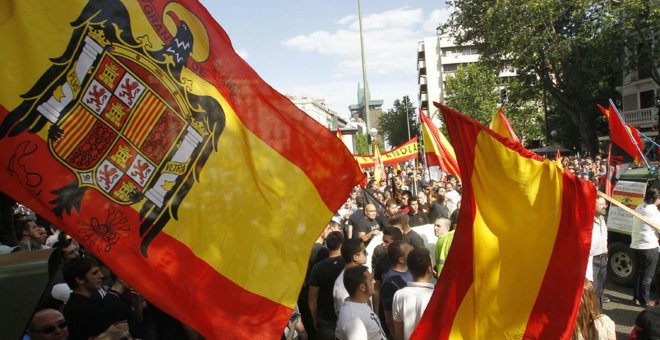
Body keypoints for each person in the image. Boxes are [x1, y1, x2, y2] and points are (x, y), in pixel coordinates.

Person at [63, 257, 121, 340]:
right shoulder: (86, 308)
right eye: (95, 273)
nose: (101, 275)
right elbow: (117, 336)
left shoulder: (74, 303)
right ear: (80, 280)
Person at [308, 231, 345, 340]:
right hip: (346, 316)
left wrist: (314, 319)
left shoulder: (318, 268)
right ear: (342, 245)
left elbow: (312, 298)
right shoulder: (349, 265)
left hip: (325, 317)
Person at [392, 247, 435, 340]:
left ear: (410, 269)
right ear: (429, 269)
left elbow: (398, 333)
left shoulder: (399, 295)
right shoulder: (437, 296)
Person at [335, 266, 387, 340]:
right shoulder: (353, 320)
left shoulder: (358, 303)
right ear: (362, 287)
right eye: (371, 280)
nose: (374, 282)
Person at [632, 188, 660, 307]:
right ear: (656, 199)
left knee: (639, 273)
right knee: (647, 276)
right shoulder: (654, 211)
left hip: (637, 244)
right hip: (649, 246)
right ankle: (645, 300)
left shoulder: (640, 207)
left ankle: (636, 297)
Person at [380, 241, 413, 335]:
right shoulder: (390, 283)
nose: (413, 255)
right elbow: (390, 318)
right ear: (401, 259)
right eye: (410, 254)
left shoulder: (411, 270)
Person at [333, 239, 368, 317]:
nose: (367, 254)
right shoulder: (342, 285)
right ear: (355, 257)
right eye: (364, 252)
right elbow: (346, 316)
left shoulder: (364, 272)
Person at [590, 197, 609, 308]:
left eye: (605, 204)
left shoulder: (602, 219)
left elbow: (604, 236)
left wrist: (606, 250)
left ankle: (598, 313)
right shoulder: (588, 221)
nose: (604, 206)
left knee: (600, 289)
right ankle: (591, 315)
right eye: (601, 204)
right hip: (593, 259)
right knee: (592, 289)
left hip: (603, 258)